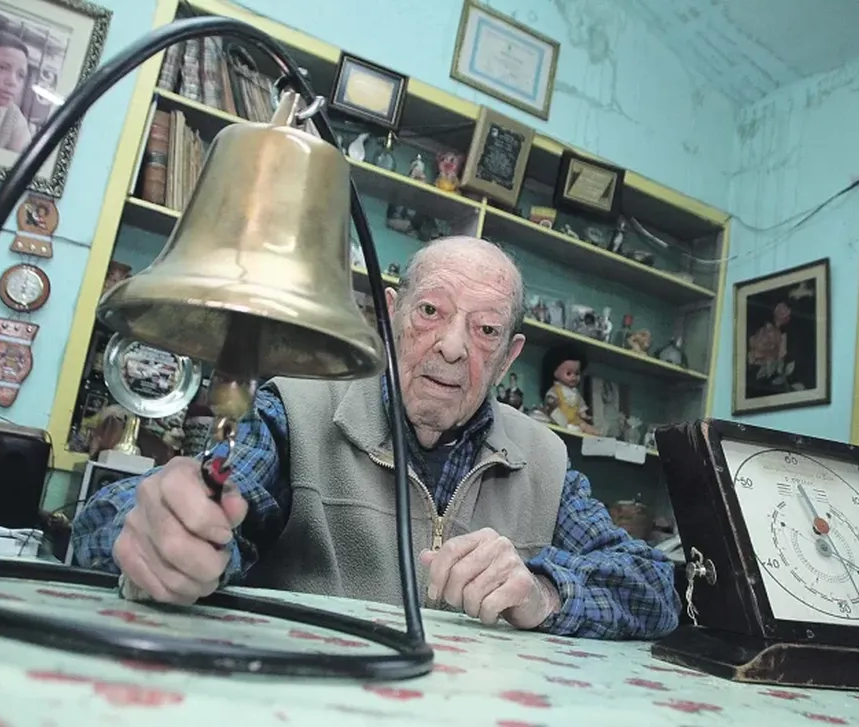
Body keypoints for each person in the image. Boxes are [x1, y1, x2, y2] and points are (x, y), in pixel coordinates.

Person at [72, 236, 681, 639]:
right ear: (391, 316)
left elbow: (656, 588)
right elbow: (110, 527)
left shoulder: (545, 458)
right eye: (431, 313)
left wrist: (545, 590)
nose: (451, 346)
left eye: (487, 328)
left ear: (509, 356)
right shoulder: (297, 410)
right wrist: (167, 535)